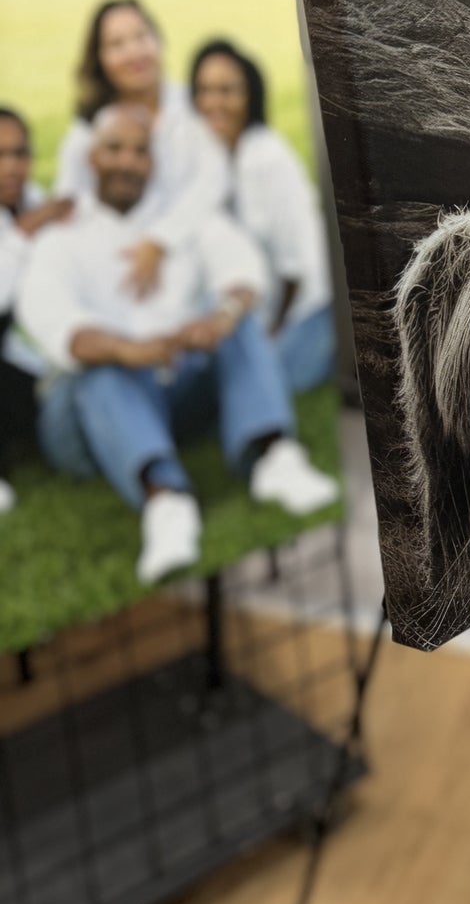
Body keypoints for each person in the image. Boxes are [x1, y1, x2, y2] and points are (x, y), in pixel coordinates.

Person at [18, 106, 338, 586]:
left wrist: (218, 319)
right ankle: (166, 502)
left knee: (237, 321)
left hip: (171, 383)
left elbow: (242, 269)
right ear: (91, 157)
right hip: (88, 418)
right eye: (114, 149)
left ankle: (274, 457)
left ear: (154, 162)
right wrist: (130, 350)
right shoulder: (62, 236)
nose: (127, 162)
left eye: (140, 152)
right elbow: (56, 325)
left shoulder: (178, 218)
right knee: (98, 367)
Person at [54, 0, 227, 302]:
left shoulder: (194, 103)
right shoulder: (87, 132)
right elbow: (69, 211)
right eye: (117, 43)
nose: (134, 51)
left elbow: (214, 180)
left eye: (141, 36)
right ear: (100, 59)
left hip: (203, 265)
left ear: (157, 40)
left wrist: (160, 241)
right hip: (123, 281)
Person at [191, 41, 336, 396]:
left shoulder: (269, 160)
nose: (215, 103)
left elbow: (295, 270)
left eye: (227, 91)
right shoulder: (205, 158)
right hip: (251, 308)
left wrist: (273, 332)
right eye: (205, 91)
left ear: (250, 96)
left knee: (252, 387)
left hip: (305, 310)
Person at [0, 108, 71, 513]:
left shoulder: (33, 201)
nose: (11, 167)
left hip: (31, 358)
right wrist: (24, 232)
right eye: (0, 155)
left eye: (19, 153)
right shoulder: (31, 216)